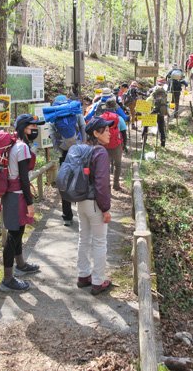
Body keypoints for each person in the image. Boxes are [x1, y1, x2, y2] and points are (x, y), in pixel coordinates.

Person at [0, 114, 44, 292]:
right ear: (24, 127)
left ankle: (21, 264)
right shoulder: (22, 148)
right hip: (17, 196)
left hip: (11, 195)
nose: (35, 129)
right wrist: (30, 203)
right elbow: (24, 180)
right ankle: (8, 279)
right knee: (13, 236)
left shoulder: (14, 145)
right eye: (32, 126)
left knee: (18, 231)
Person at [76, 117, 114, 296]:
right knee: (99, 242)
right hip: (95, 204)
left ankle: (83, 275)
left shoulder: (82, 149)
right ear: (95, 133)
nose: (109, 132)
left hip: (80, 202)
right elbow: (101, 184)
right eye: (105, 130)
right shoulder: (100, 153)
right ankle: (98, 281)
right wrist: (105, 208)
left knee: (84, 238)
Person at [51, 95, 86, 227]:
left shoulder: (55, 115)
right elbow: (83, 128)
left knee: (64, 182)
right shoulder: (75, 112)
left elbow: (53, 136)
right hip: (79, 151)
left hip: (64, 153)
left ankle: (67, 216)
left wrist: (59, 149)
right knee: (82, 179)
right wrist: (84, 144)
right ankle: (83, 214)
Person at [104, 97, 125, 190]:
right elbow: (124, 132)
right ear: (115, 107)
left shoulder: (101, 117)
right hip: (116, 145)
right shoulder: (119, 118)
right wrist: (123, 144)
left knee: (105, 166)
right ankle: (116, 185)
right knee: (118, 165)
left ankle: (106, 185)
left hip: (104, 144)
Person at [142, 82, 168, 147]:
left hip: (151, 114)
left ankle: (143, 140)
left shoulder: (149, 98)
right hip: (160, 114)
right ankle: (163, 143)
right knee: (161, 129)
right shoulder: (164, 97)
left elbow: (145, 108)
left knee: (145, 126)